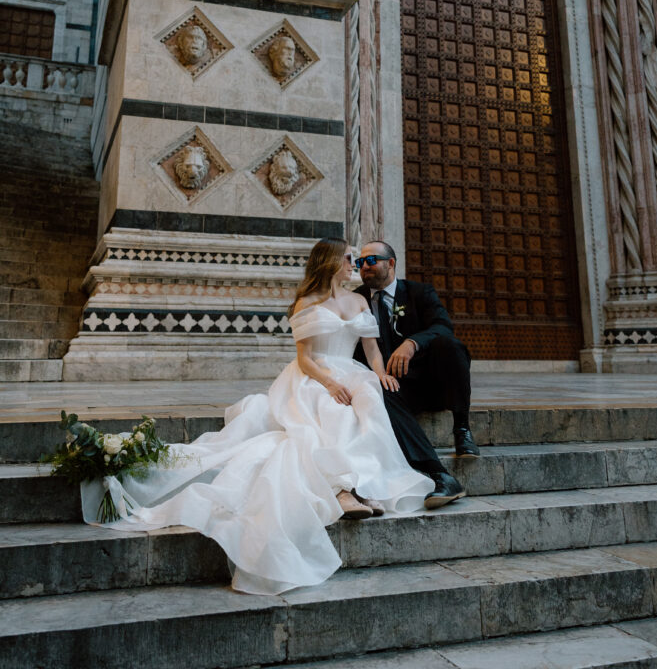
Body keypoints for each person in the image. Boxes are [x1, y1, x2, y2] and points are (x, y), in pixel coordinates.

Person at [82, 238, 431, 595]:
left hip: (351, 370)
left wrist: (378, 374)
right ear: (329, 262)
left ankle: (367, 484)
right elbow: (305, 359)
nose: (354, 264)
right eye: (348, 258)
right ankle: (342, 489)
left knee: (370, 401)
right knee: (332, 411)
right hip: (315, 376)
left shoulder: (359, 300)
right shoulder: (307, 302)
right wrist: (329, 383)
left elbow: (371, 349)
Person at [354, 240, 479, 508]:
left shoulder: (419, 292)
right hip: (393, 390)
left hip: (428, 382)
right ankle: (439, 476)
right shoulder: (356, 299)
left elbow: (443, 326)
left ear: (391, 263)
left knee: (451, 346)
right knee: (376, 391)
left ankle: (462, 429)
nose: (365, 266)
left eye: (371, 260)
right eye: (360, 262)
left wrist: (412, 343)